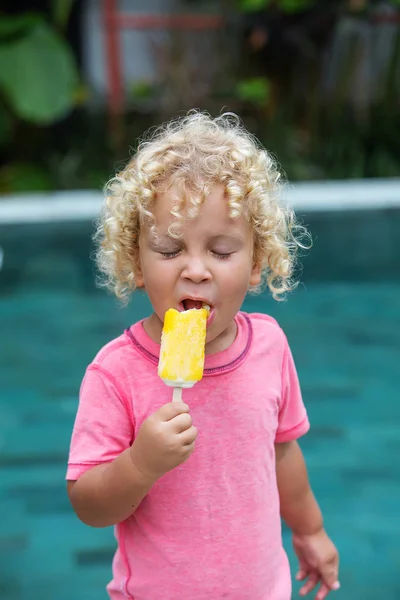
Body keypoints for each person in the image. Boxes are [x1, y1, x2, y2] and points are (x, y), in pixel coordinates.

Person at [66, 111, 340, 600]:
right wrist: (140, 464)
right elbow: (88, 506)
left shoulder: (270, 346)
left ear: (256, 264)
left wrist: (310, 530)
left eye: (221, 250)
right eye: (170, 250)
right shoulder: (115, 372)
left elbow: (282, 451)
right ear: (135, 263)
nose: (196, 269)